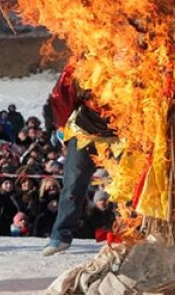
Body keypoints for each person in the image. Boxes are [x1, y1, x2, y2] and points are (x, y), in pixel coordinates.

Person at [42, 63, 116, 256]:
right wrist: (61, 129)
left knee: (128, 186)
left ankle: (128, 233)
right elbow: (62, 98)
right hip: (84, 132)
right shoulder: (81, 65)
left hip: (120, 134)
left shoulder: (128, 62)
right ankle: (61, 236)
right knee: (73, 183)